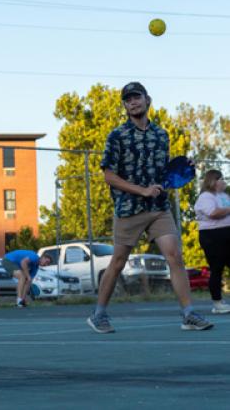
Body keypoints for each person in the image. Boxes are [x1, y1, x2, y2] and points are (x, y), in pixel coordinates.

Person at [87, 82, 213, 333]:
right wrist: (141, 190)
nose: (132, 102)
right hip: (128, 208)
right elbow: (109, 176)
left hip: (158, 207)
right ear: (125, 105)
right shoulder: (117, 135)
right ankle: (99, 314)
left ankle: (188, 313)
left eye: (136, 97)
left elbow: (164, 172)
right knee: (118, 262)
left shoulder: (161, 134)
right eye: (128, 99)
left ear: (147, 100)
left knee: (175, 256)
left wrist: (182, 169)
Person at [194, 170, 230, 314]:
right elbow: (213, 213)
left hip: (227, 233)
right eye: (221, 179)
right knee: (217, 268)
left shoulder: (224, 196)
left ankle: (219, 302)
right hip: (212, 235)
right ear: (213, 181)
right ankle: (217, 303)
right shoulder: (205, 197)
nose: (224, 181)